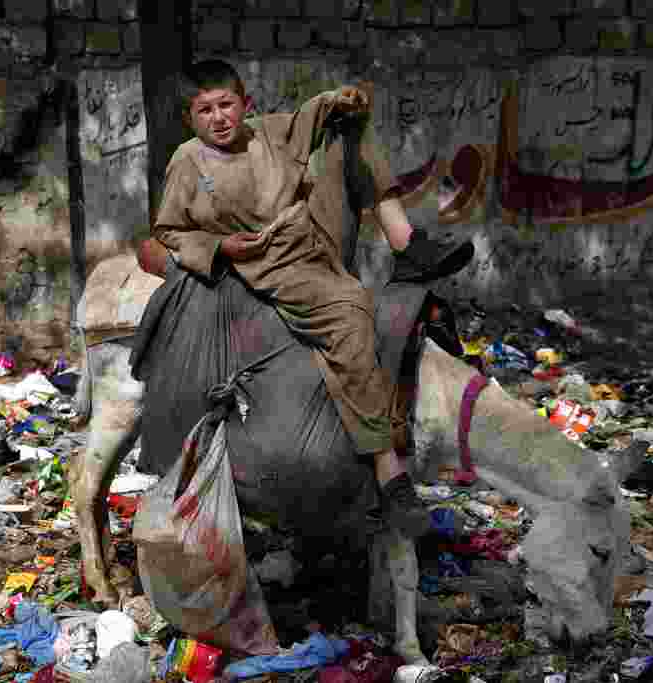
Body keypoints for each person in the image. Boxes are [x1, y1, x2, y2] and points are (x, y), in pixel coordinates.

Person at [149, 59, 474, 539]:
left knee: (348, 129)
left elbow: (314, 115)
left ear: (246, 105)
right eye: (205, 111)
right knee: (350, 314)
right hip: (261, 261)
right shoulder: (188, 161)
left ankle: (406, 243)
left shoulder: (269, 133)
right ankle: (387, 467)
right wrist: (218, 247)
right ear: (190, 119)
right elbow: (169, 231)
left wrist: (345, 100)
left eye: (226, 106)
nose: (218, 118)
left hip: (303, 241)